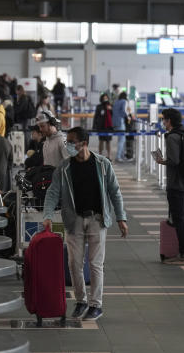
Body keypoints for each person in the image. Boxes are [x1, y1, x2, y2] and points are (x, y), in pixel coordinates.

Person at [41, 126, 128, 321]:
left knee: (96, 264)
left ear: (84, 143)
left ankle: (96, 305)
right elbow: (53, 192)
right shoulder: (64, 168)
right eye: (67, 142)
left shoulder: (103, 165)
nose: (69, 145)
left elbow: (115, 192)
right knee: (74, 263)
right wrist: (47, 215)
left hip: (97, 219)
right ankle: (81, 301)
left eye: (72, 142)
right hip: (74, 220)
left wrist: (121, 218)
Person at [154, 109, 184, 264]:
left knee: (179, 218)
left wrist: (162, 161)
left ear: (169, 121)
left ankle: (182, 254)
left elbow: (174, 161)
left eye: (164, 120)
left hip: (176, 184)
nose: (163, 123)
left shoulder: (173, 137)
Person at [113, 92, 130, 161]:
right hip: (120, 122)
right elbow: (124, 110)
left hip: (115, 122)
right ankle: (118, 156)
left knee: (122, 139)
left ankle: (122, 155)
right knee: (122, 140)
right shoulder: (124, 101)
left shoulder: (116, 101)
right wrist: (128, 116)